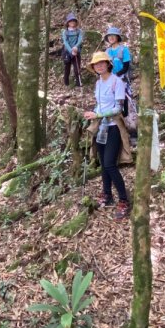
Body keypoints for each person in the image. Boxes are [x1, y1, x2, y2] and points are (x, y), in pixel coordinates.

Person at [83, 51, 131, 220]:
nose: (99, 66)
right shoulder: (98, 83)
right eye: (96, 64)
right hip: (101, 128)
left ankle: (124, 200)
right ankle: (107, 194)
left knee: (110, 164)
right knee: (103, 163)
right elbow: (99, 105)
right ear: (94, 67)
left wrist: (98, 115)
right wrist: (93, 113)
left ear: (108, 64)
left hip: (114, 127)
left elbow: (118, 109)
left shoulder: (117, 82)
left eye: (102, 62)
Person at [61, 12, 84, 87]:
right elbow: (65, 42)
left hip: (76, 52)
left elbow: (80, 40)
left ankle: (78, 83)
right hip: (67, 53)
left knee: (77, 68)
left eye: (74, 21)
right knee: (67, 68)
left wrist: (76, 47)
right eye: (70, 21)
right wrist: (71, 50)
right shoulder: (65, 32)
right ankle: (66, 83)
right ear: (68, 23)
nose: (72, 22)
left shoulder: (79, 31)